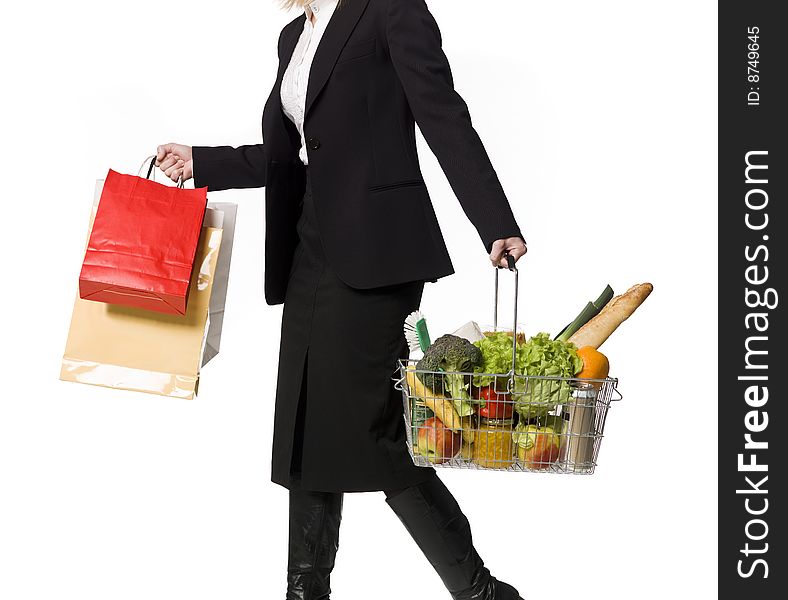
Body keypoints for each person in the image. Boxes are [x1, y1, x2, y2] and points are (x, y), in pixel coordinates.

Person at [156, 1, 527, 598]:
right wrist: (203, 162)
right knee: (305, 423)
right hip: (311, 248)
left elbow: (443, 116)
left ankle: (479, 591)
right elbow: (293, 156)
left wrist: (495, 222)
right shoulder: (292, 37)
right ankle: (305, 591)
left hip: (379, 251)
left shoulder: (389, 9)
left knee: (379, 430)